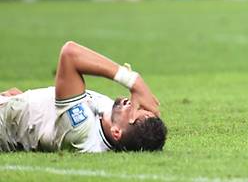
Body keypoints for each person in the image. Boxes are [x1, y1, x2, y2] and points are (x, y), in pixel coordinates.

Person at [0, 40, 166, 152]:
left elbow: (70, 53)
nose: (131, 103)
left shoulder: (81, 131)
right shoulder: (109, 118)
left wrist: (133, 81)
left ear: (117, 132)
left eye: (133, 112)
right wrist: (24, 102)